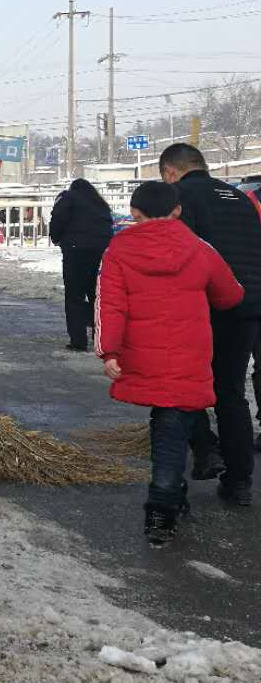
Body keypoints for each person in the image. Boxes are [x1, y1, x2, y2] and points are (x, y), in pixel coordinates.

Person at [95, 181, 243, 544]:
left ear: (134, 213)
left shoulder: (118, 250)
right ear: (177, 210)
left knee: (166, 426)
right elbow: (230, 294)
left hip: (142, 355)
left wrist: (109, 351)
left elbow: (109, 304)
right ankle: (168, 501)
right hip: (191, 355)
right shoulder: (198, 247)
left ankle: (165, 503)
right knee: (172, 425)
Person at [159, 143, 261, 505]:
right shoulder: (242, 199)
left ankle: (205, 450)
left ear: (171, 172)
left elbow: (177, 256)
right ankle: (239, 483)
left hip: (205, 307)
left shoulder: (180, 198)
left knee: (185, 385)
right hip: (249, 306)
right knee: (231, 393)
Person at [49, 178, 115, 351]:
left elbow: (57, 219)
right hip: (101, 252)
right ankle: (99, 337)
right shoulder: (100, 204)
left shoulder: (67, 198)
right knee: (97, 295)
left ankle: (78, 341)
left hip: (75, 252)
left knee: (74, 296)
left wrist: (56, 238)